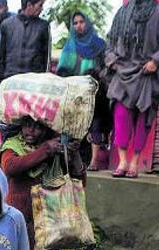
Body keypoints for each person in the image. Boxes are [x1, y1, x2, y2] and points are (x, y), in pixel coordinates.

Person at [0, 117, 84, 250]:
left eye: (37, 126)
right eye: (27, 125)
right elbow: (12, 167)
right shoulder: (11, 147)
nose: (31, 131)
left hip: (48, 227)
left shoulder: (57, 150)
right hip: (18, 226)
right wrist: (45, 150)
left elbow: (79, 180)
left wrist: (71, 154)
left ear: (45, 128)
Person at [104, 0, 159, 178]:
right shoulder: (123, 12)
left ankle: (134, 162)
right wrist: (111, 60)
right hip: (122, 72)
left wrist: (155, 61)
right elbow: (110, 41)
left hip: (146, 73)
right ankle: (122, 162)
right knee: (121, 117)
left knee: (143, 120)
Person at [56, 12, 108, 171]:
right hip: (74, 93)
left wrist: (95, 75)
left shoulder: (99, 45)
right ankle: (69, 161)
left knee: (95, 124)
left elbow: (106, 68)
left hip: (94, 92)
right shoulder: (70, 46)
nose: (79, 25)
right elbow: (62, 70)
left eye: (81, 22)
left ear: (88, 23)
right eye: (75, 22)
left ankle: (94, 161)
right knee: (72, 127)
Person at [0, 0, 51, 84]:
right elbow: (1, 57)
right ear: (29, 5)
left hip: (34, 82)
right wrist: (1, 82)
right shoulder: (6, 25)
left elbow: (46, 59)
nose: (42, 9)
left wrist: (43, 82)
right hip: (10, 80)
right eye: (40, 5)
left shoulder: (44, 26)